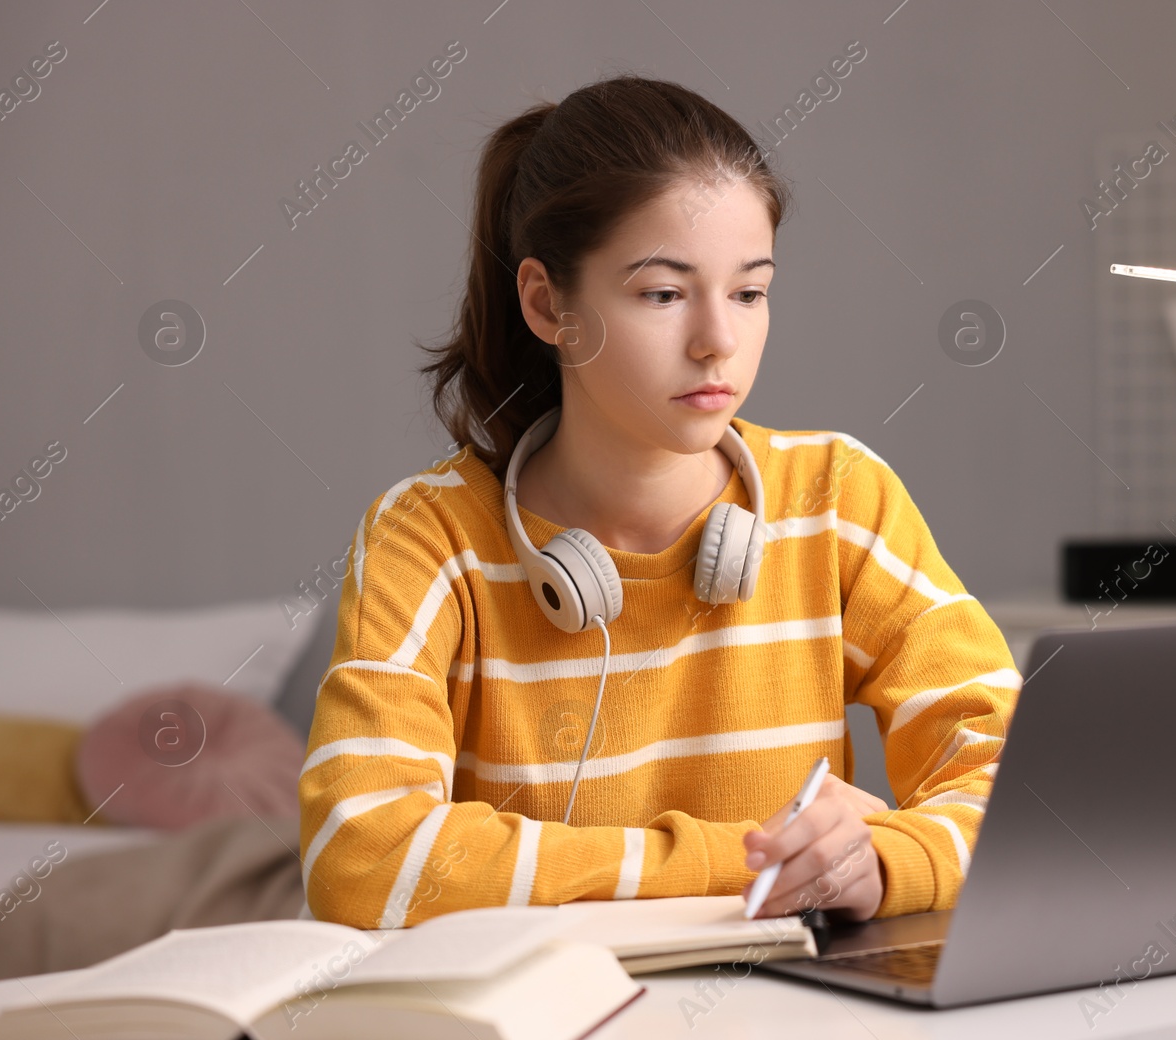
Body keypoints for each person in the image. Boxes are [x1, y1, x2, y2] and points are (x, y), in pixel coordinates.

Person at [297, 74, 1020, 931]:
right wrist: (746, 859)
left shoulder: (837, 500)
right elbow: (362, 855)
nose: (719, 340)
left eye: (749, 291)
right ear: (547, 304)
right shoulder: (429, 537)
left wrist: (886, 859)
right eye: (664, 294)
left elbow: (1028, 789)